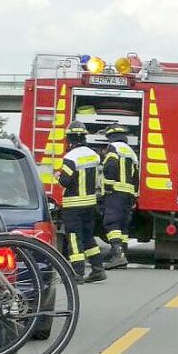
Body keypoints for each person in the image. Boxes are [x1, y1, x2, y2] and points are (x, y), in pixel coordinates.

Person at [58, 120, 106, 284]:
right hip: (90, 204)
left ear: (70, 139)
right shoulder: (94, 155)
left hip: (73, 205)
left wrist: (57, 175)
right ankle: (98, 269)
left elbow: (65, 181)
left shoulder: (70, 157)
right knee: (88, 237)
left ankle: (77, 273)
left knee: (74, 238)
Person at [100, 124, 140, 270]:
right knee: (122, 225)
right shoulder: (131, 152)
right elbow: (136, 175)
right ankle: (122, 254)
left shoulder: (113, 148)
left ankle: (117, 255)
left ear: (111, 136)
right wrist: (134, 195)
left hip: (115, 192)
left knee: (111, 223)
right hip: (128, 194)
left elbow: (110, 166)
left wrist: (108, 187)